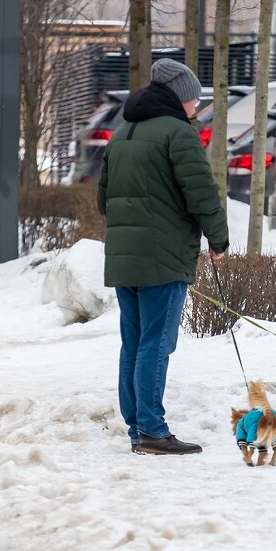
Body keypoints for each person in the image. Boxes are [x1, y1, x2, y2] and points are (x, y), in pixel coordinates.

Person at [98, 59, 229, 456]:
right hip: (164, 255)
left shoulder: (122, 133)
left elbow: (104, 199)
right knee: (157, 343)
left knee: (134, 342)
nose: (197, 106)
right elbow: (202, 193)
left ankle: (139, 428)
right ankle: (153, 431)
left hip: (125, 257)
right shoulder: (179, 134)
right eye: (195, 99)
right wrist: (218, 240)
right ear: (181, 97)